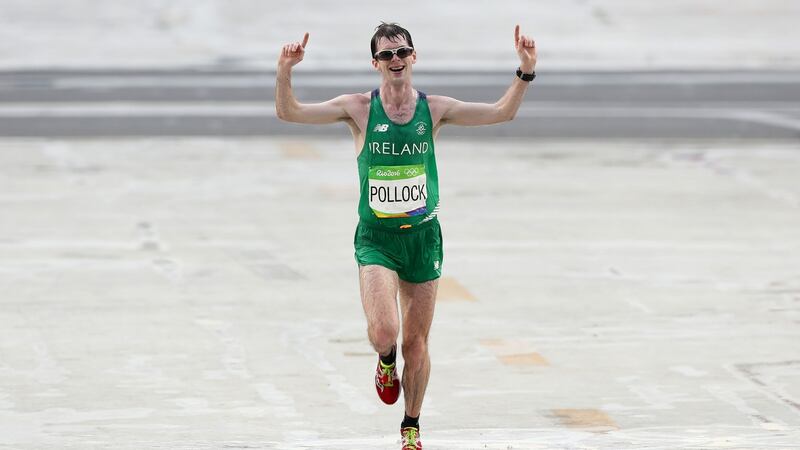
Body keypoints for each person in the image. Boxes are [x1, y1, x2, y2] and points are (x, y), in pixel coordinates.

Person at [275, 22, 536, 450]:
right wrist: (285, 71)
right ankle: (383, 360)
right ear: (375, 63)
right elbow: (291, 113)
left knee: (416, 345)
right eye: (386, 55)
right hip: (377, 239)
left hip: (422, 239)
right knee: (385, 333)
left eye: (402, 53)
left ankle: (411, 425)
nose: (395, 61)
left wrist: (524, 72)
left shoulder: (434, 109)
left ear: (414, 57)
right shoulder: (358, 108)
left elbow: (500, 112)